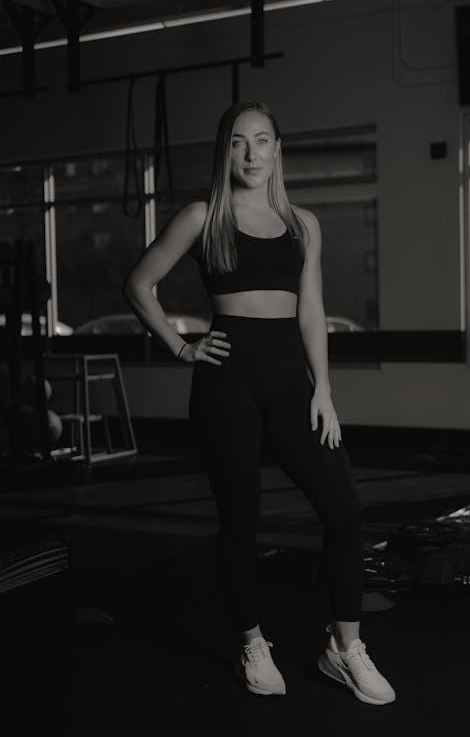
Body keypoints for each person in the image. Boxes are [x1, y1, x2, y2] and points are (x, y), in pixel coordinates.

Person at [122, 100, 395, 706]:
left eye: (262, 141)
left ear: (278, 149)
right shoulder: (203, 216)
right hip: (226, 384)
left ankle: (344, 649)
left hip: (290, 385)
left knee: (345, 511)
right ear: (227, 150)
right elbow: (139, 284)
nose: (251, 154)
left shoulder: (303, 223)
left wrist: (323, 389)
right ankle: (253, 641)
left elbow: (313, 312)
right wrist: (180, 347)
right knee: (241, 522)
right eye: (240, 142)